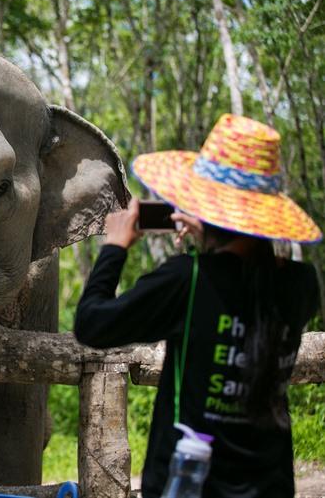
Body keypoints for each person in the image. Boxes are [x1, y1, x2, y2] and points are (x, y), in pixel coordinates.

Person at [74, 114, 321, 498]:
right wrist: (208, 238)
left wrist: (115, 248)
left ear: (206, 208)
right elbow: (245, 281)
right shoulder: (301, 284)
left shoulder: (186, 279)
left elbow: (92, 324)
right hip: (271, 484)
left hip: (191, 483)